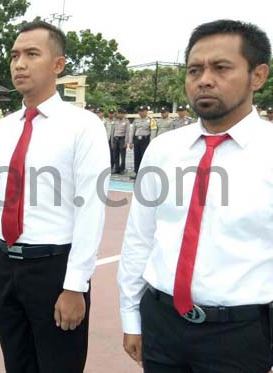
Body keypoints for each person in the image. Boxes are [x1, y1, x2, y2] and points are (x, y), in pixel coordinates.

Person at [118, 19, 273, 373]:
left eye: (221, 68)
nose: (203, 79)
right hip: (162, 325)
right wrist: (131, 315)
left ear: (258, 75)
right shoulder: (163, 150)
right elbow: (139, 238)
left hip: (240, 335)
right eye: (194, 69)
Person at [0, 21, 109, 373]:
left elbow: (91, 209)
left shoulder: (83, 126)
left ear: (58, 65)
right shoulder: (2, 130)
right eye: (15, 55)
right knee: (16, 364)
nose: (19, 63)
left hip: (53, 269)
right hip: (5, 266)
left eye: (32, 54)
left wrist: (75, 286)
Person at [129, 105, 152, 177]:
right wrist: (131, 142)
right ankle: (136, 172)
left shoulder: (151, 120)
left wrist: (151, 142)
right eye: (139, 111)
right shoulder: (136, 120)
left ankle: (144, 173)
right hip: (137, 140)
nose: (141, 113)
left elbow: (153, 132)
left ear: (146, 111)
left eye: (143, 111)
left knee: (144, 156)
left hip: (145, 140)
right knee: (137, 156)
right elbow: (132, 131)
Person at [111, 108, 130, 174]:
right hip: (115, 139)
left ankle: (122, 169)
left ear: (124, 114)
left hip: (122, 139)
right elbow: (112, 131)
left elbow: (127, 132)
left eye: (122, 113)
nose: (120, 114)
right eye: (119, 113)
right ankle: (116, 169)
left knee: (123, 155)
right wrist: (112, 141)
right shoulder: (115, 121)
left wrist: (126, 142)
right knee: (115, 155)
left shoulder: (126, 122)